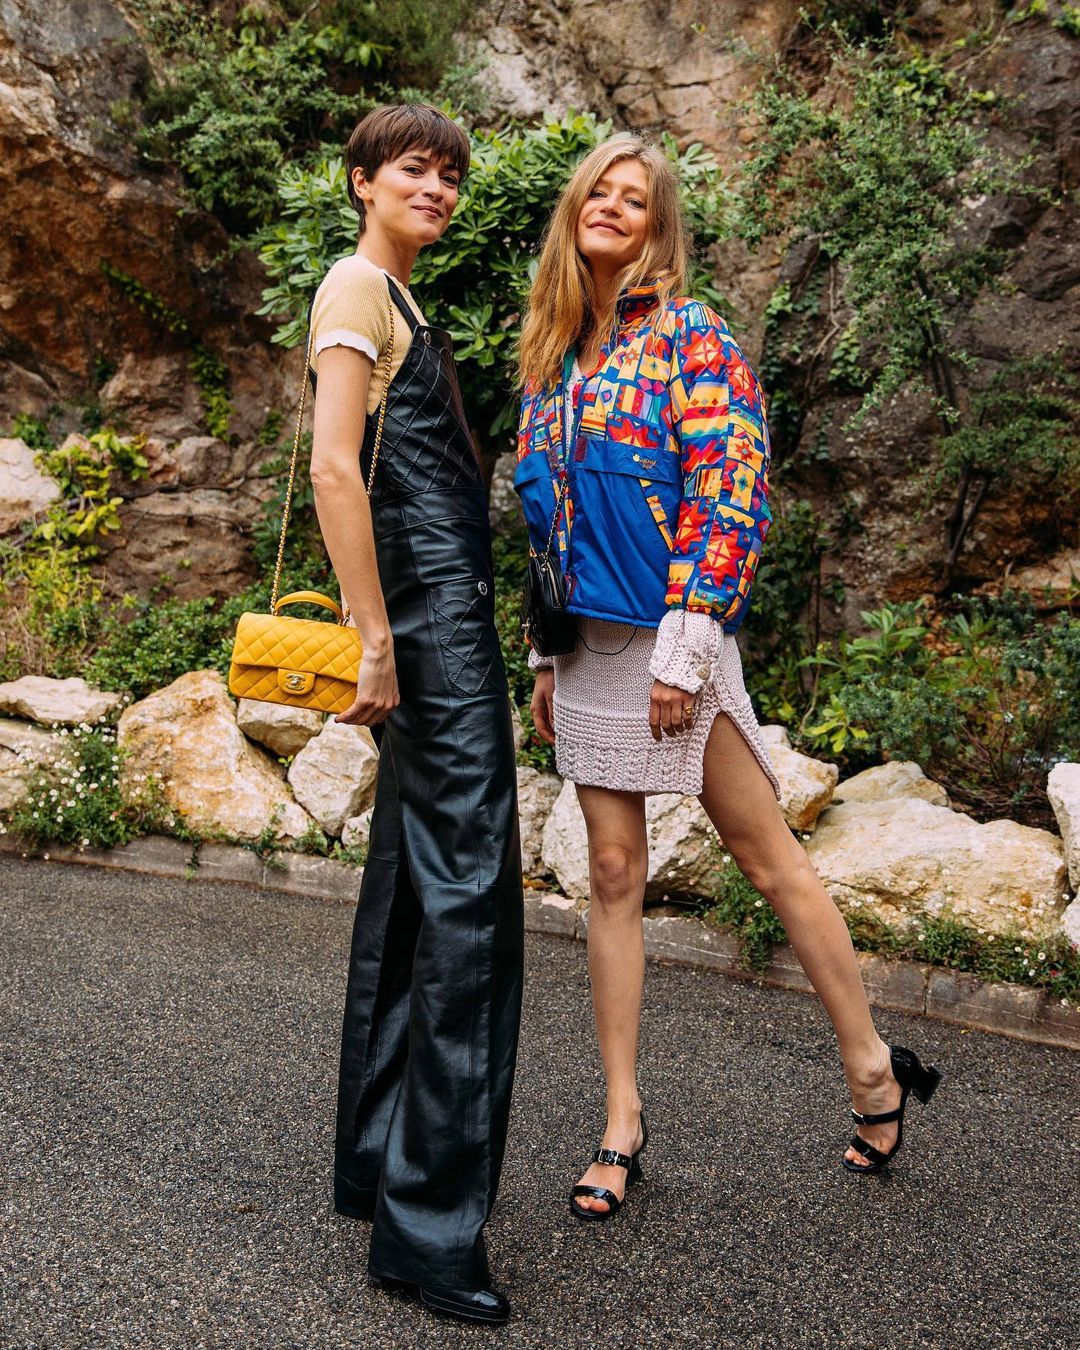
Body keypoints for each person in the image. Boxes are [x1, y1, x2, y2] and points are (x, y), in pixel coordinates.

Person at [514, 134, 940, 1223]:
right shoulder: (552, 355)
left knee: (767, 858)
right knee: (613, 874)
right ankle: (621, 1119)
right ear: (575, 212)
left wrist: (686, 643)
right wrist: (545, 654)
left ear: (658, 229)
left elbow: (731, 486)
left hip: (670, 640)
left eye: (635, 199)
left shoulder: (691, 336)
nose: (613, 208)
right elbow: (545, 521)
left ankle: (873, 1070)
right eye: (598, 192)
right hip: (584, 647)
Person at [308, 103, 523, 1324]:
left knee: (410, 888)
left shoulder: (399, 299)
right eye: (412, 169)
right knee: (469, 907)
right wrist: (376, 638)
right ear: (362, 181)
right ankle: (432, 1235)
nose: (435, 188)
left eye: (450, 175)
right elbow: (336, 467)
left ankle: (381, 1171)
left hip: (437, 615)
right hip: (429, 623)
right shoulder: (357, 287)